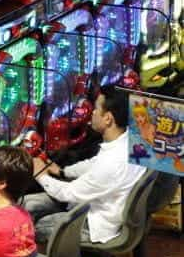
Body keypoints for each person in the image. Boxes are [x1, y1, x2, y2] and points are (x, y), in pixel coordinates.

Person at [25, 85, 147, 245]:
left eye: (96, 109)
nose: (92, 113)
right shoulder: (131, 140)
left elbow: (67, 193)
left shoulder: (111, 164)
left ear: (108, 118)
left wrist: (39, 174)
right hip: (99, 203)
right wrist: (62, 172)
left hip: (98, 224)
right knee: (26, 203)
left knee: (35, 227)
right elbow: (93, 163)